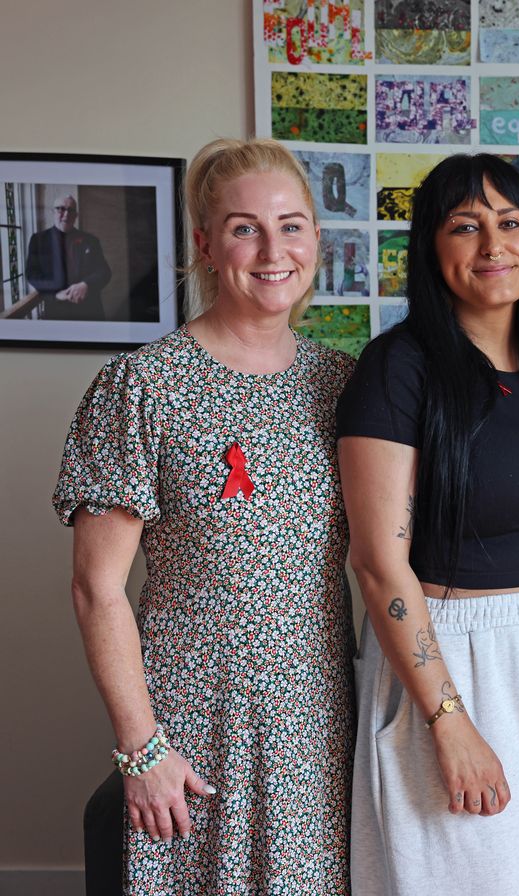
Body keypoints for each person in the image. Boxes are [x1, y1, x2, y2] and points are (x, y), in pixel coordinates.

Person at [53, 138, 356, 894]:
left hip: (317, 726)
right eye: (245, 228)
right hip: (191, 729)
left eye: (291, 226)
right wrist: (142, 749)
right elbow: (96, 588)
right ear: (206, 246)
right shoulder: (142, 386)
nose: (273, 251)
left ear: (316, 238)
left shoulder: (344, 386)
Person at [336, 153, 519, 896]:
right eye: (465, 226)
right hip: (454, 653)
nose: (493, 245)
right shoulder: (398, 368)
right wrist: (447, 720)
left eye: (510, 223)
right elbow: (378, 564)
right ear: (431, 248)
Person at [25, 193, 111, 320]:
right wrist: (55, 293)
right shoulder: (38, 240)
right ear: (53, 212)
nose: (66, 214)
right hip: (56, 312)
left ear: (76, 215)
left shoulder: (91, 240)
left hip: (90, 310)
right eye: (60, 209)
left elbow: (104, 271)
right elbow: (32, 274)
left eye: (71, 210)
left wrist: (86, 285)